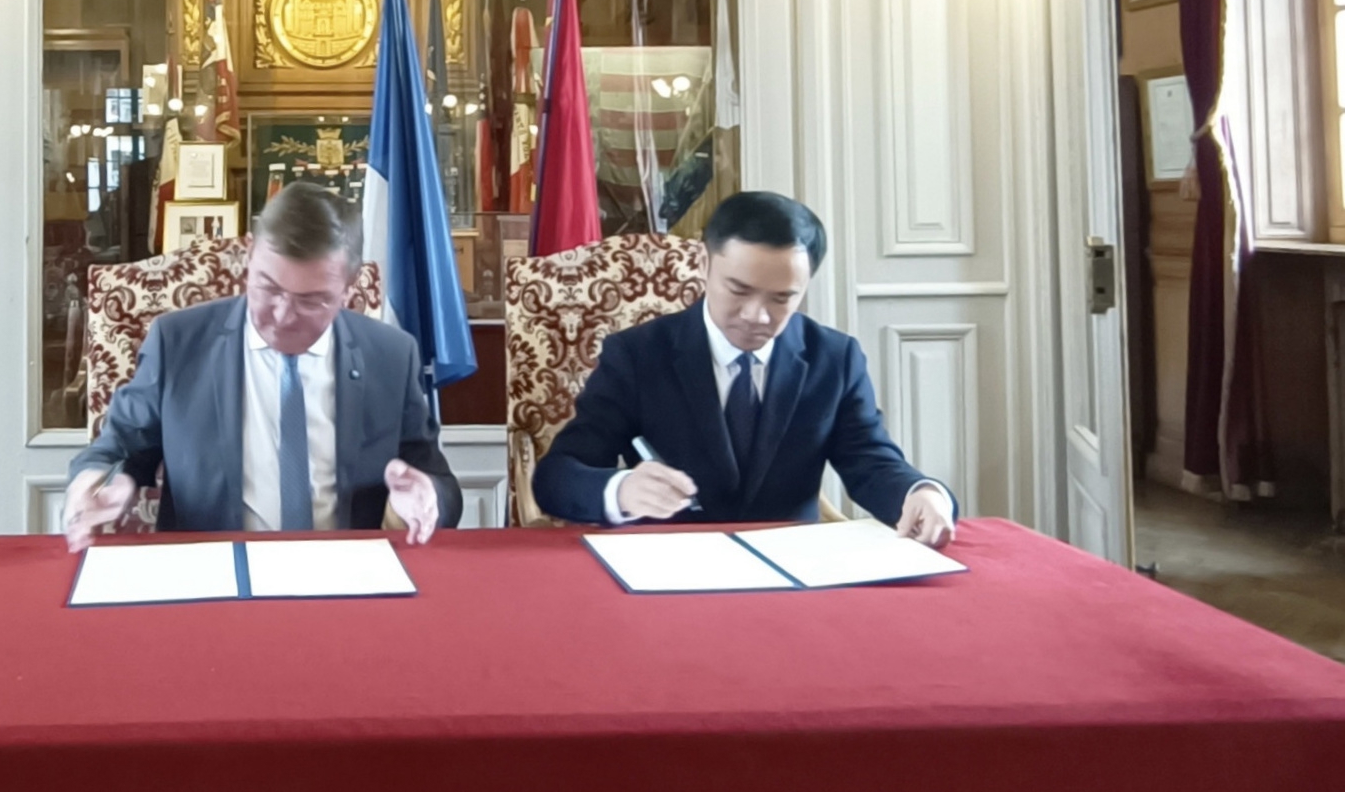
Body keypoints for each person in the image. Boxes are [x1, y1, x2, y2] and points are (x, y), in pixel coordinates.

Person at [531, 191, 957, 545]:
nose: (757, 315)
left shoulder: (833, 358)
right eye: (738, 290)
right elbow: (556, 477)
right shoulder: (638, 355)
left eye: (782, 298)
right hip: (670, 566)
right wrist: (620, 489)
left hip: (796, 566)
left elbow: (870, 462)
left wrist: (921, 493)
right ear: (704, 265)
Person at [62, 182, 461, 550]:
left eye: (311, 300)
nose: (283, 315)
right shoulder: (177, 343)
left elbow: (439, 483)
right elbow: (120, 448)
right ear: (250, 257)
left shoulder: (391, 356)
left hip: (347, 574)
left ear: (349, 288)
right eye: (268, 288)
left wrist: (426, 497)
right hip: (213, 572)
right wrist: (100, 483)